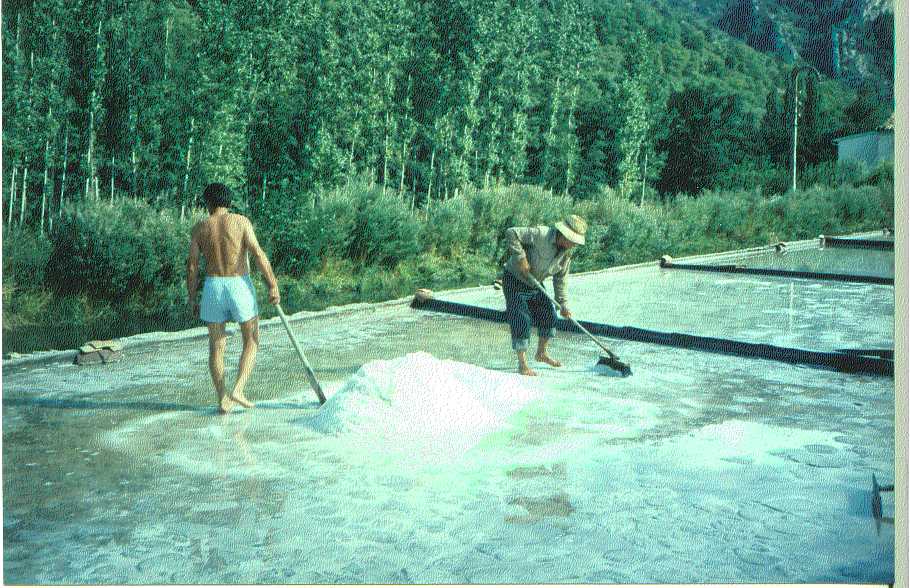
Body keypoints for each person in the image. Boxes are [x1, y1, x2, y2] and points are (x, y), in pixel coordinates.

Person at [186, 182, 280, 413]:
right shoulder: (240, 222)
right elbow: (258, 253)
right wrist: (272, 285)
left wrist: (192, 297)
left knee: (217, 346)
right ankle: (238, 389)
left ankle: (222, 399)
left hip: (213, 287)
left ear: (207, 203)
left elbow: (192, 266)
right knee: (251, 339)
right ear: (228, 202)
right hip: (238, 284)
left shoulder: (200, 228)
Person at [501, 215, 587, 376]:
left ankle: (541, 353)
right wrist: (521, 258)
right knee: (522, 319)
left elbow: (560, 279)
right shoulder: (541, 234)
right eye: (573, 240)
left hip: (535, 283)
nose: (574, 244)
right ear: (564, 234)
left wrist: (563, 304)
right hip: (515, 280)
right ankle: (522, 364)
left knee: (549, 316)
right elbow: (511, 232)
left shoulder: (566, 254)